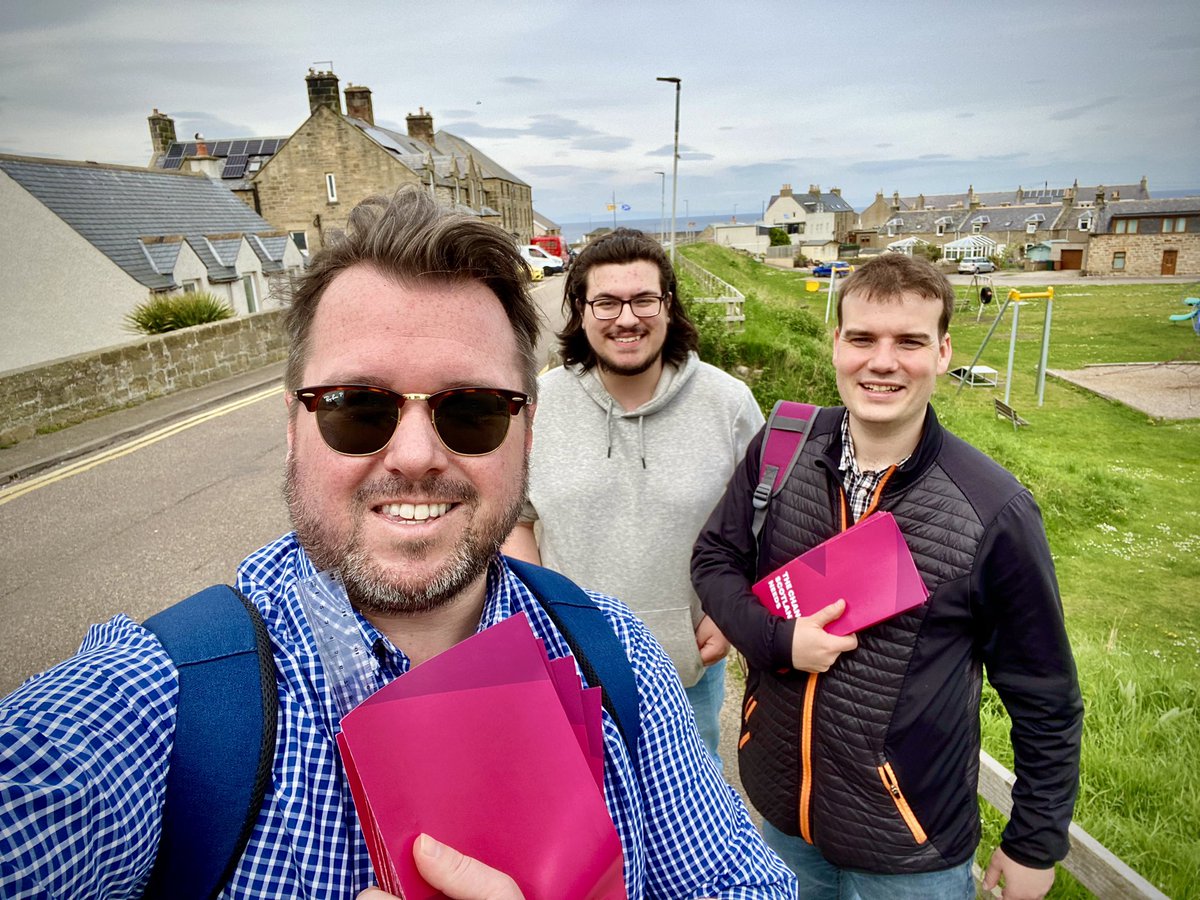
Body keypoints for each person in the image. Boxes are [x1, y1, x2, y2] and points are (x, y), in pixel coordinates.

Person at [0, 190, 795, 899]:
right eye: (357, 406)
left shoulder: (618, 654)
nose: (415, 454)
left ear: (525, 433)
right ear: (292, 428)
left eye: (473, 409)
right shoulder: (162, 700)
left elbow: (739, 880)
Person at [691, 253, 1083, 900]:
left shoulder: (994, 510)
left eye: (909, 342)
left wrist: (1035, 843)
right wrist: (777, 641)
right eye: (864, 339)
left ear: (943, 350)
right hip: (785, 821)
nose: (882, 361)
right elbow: (714, 559)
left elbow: (1045, 695)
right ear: (837, 342)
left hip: (909, 852)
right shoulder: (781, 448)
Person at [502, 227, 763, 767]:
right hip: (571, 674)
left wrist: (735, 609)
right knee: (586, 830)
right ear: (580, 309)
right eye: (606, 302)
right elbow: (516, 521)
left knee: (687, 835)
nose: (627, 318)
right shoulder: (536, 407)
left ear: (668, 305)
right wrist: (539, 623)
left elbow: (766, 518)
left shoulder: (729, 403)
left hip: (685, 674)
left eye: (644, 299)